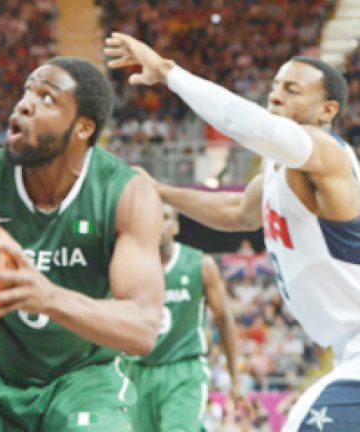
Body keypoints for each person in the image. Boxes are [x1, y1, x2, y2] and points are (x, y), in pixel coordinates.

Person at [105, 32, 360, 430]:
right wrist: (159, 192)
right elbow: (238, 213)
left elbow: (254, 127)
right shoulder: (277, 169)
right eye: (275, 86)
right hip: (347, 348)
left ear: (327, 110)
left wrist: (170, 74)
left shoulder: (325, 152)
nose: (275, 95)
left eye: (292, 90)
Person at [0, 56, 164, 431]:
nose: (24, 104)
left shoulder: (126, 193)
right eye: (27, 91)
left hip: (83, 380)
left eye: (47, 98)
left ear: (83, 128)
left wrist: (47, 297)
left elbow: (143, 330)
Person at [128, 203, 246, 432]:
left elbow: (223, 320)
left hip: (184, 368)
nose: (158, 223)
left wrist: (236, 381)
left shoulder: (200, 264)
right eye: (151, 216)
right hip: (139, 369)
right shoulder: (129, 266)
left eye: (165, 217)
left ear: (176, 226)